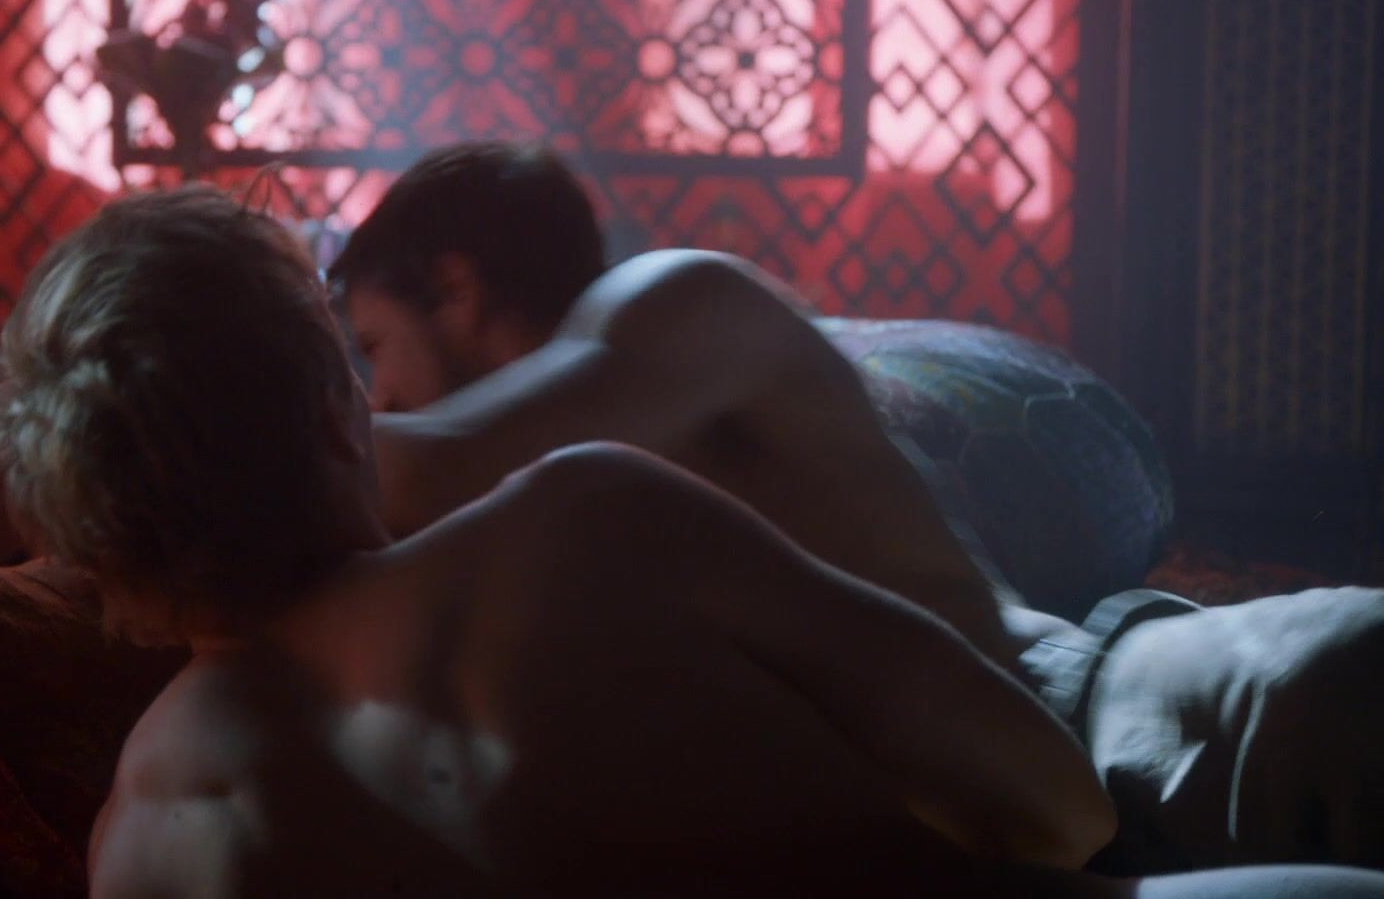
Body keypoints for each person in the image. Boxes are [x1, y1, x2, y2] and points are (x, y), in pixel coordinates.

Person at [0, 187, 1384, 899]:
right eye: (354, 361)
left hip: (1170, 699)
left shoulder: (145, 841)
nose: (383, 395)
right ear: (335, 415)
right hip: (1107, 760)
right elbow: (1052, 805)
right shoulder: (580, 515)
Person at [329, 140, 1384, 874]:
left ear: (455, 287)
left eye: (371, 350)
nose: (377, 403)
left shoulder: (671, 305)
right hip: (1088, 809)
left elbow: (423, 465)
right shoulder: (529, 535)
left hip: (1183, 722)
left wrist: (252, 356)